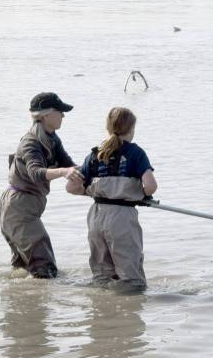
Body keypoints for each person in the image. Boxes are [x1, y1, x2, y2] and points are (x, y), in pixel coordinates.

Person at [67, 107, 157, 291]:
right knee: (132, 278)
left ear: (107, 128)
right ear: (131, 129)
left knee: (101, 275)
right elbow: (150, 186)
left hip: (96, 217)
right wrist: (143, 195)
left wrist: (92, 191)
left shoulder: (94, 154)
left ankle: (103, 312)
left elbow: (71, 187)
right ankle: (126, 311)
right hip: (122, 217)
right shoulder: (135, 153)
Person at [0, 93, 81, 278]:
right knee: (45, 269)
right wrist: (62, 172)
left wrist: (98, 169)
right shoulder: (31, 142)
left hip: (22, 207)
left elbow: (69, 165)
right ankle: (38, 303)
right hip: (18, 208)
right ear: (45, 115)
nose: (63, 116)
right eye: (60, 112)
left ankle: (22, 303)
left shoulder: (52, 138)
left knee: (25, 268)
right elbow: (36, 173)